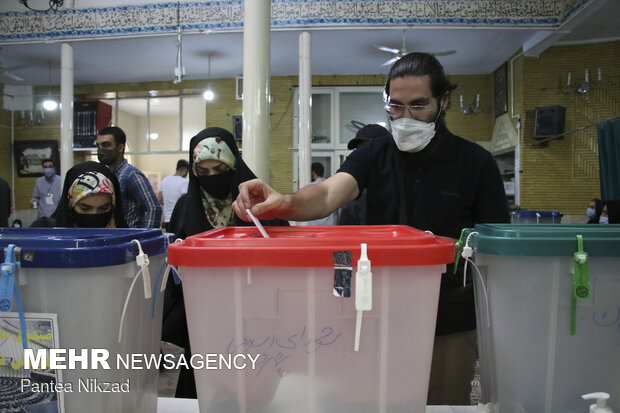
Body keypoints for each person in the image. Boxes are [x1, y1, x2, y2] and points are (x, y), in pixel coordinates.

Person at [232, 52, 510, 405]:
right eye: (395, 107)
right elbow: (329, 192)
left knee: (442, 401)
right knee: (377, 400)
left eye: (418, 106)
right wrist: (285, 202)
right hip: (378, 312)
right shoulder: (373, 155)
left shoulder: (475, 163)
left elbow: (494, 245)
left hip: (449, 316)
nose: (405, 118)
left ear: (444, 102)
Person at [163, 127, 288, 399]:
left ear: (234, 164)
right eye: (203, 173)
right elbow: (172, 267)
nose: (212, 179)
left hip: (258, 323)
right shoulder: (187, 207)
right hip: (203, 325)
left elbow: (285, 259)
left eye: (220, 168)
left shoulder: (261, 204)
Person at [96, 126, 162, 228]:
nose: (101, 150)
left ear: (121, 147)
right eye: (99, 145)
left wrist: (146, 239)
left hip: (130, 240)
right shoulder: (107, 176)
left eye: (106, 145)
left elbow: (153, 208)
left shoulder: (131, 175)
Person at [32, 161, 127, 228]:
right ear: (70, 203)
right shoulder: (44, 233)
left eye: (104, 208)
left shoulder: (128, 241)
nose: (94, 215)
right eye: (85, 208)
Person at [337, 124, 390, 225]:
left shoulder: (403, 183)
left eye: (369, 150)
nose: (363, 156)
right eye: (359, 150)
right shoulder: (353, 196)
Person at [158, 159, 189, 232]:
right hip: (179, 219)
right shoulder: (184, 182)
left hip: (167, 220)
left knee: (170, 241)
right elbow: (185, 201)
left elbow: (159, 199)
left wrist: (168, 204)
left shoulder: (164, 180)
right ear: (185, 170)